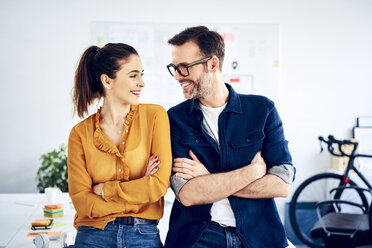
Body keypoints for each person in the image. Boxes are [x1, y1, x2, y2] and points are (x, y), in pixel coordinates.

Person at [164, 26, 295, 248]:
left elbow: (281, 185)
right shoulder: (175, 118)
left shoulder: (262, 110)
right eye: (174, 68)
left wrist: (208, 177)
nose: (178, 76)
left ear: (212, 64)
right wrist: (252, 172)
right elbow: (187, 193)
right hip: (199, 237)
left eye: (184, 67)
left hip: (259, 236)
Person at [68, 43, 172, 247]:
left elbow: (158, 185)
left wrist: (105, 190)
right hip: (93, 235)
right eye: (133, 75)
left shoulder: (155, 117)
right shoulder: (80, 134)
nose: (142, 83)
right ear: (107, 81)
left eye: (141, 74)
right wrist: (140, 190)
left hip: (143, 235)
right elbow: (82, 202)